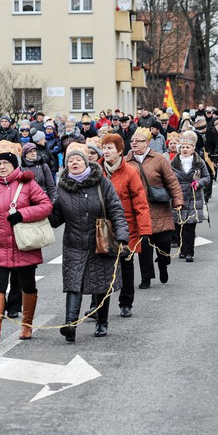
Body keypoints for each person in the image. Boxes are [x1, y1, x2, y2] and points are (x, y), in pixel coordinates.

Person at [0, 141, 53, 344]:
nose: (2, 167)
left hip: (24, 244)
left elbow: (46, 206)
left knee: (28, 286)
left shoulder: (28, 183)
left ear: (14, 164)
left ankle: (26, 325)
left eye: (6, 163)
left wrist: (22, 214)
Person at [49, 143, 129, 341]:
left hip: (100, 241)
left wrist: (122, 236)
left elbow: (116, 210)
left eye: (78, 159)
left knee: (101, 283)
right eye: (70, 160)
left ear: (86, 163)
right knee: (73, 283)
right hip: (73, 243)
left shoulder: (102, 183)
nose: (74, 162)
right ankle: (70, 325)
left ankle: (102, 322)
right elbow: (56, 220)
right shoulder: (62, 187)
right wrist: (44, 208)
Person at [97, 133, 151, 318]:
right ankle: (97, 306)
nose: (106, 151)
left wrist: (144, 229)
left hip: (127, 226)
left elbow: (140, 202)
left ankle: (126, 302)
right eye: (104, 147)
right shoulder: (97, 170)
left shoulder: (130, 172)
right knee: (101, 267)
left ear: (120, 151)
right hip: (102, 226)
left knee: (126, 264)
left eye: (110, 148)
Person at [126, 127, 183, 288]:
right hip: (139, 210)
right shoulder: (126, 161)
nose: (134, 143)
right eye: (132, 141)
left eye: (138, 141)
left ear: (147, 142)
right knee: (144, 245)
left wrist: (178, 199)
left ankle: (163, 264)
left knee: (164, 243)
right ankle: (146, 278)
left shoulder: (159, 159)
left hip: (159, 208)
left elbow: (171, 181)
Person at [170, 132, 211, 262]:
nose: (185, 150)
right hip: (178, 196)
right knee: (179, 225)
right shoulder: (173, 163)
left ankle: (189, 253)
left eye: (188, 147)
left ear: (193, 148)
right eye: (183, 147)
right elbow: (168, 178)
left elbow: (207, 177)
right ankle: (182, 249)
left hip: (194, 197)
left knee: (190, 226)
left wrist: (199, 183)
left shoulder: (199, 162)